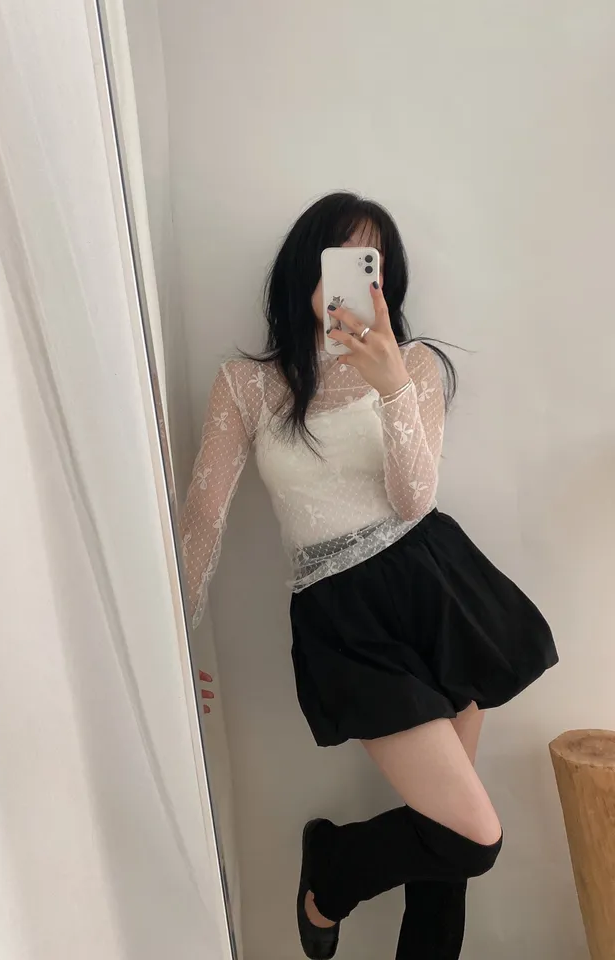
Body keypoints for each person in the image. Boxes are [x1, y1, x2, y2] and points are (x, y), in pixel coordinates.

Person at [179, 192, 557, 960]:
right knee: (471, 835)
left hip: (435, 588)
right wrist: (173, 651)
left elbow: (415, 500)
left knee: (448, 846)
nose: (360, 281)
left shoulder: (413, 366)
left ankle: (353, 886)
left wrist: (390, 387)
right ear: (305, 266)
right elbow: (202, 523)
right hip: (343, 616)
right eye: (345, 259)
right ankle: (331, 867)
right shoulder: (246, 385)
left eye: (373, 266)